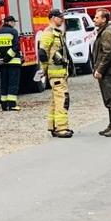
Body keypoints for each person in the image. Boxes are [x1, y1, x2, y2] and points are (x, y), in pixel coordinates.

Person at [37, 9, 73, 138]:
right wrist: (44, 69)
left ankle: (53, 126)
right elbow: (42, 52)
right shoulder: (49, 33)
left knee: (55, 100)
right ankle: (62, 129)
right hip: (56, 73)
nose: (62, 19)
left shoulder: (57, 32)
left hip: (60, 73)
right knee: (62, 100)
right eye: (59, 17)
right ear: (52, 18)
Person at [90, 9, 111, 136]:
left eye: (97, 17)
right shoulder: (104, 32)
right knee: (108, 99)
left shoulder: (107, 33)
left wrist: (100, 69)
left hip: (108, 72)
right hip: (107, 71)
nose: (94, 19)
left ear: (104, 19)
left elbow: (108, 53)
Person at [0, 15, 22, 111]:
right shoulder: (13, 32)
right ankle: (12, 105)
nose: (14, 24)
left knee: (4, 83)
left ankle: (4, 105)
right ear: (10, 22)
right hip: (13, 62)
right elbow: (15, 47)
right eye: (14, 22)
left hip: (1, 64)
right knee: (13, 83)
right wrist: (7, 58)